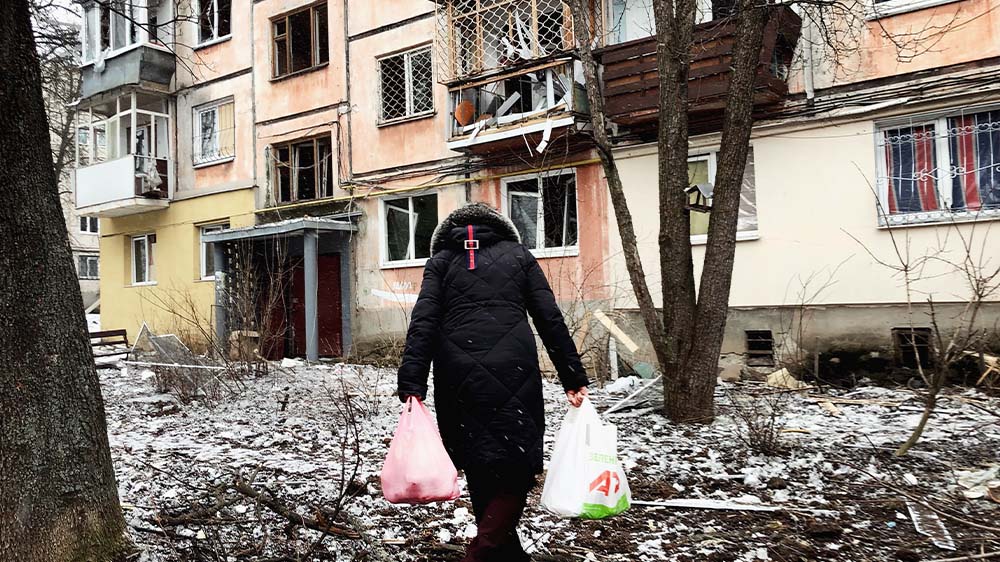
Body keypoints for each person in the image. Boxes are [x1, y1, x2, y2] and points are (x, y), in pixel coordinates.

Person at [397, 202, 590, 562]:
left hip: (457, 376)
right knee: (518, 466)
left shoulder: (440, 262)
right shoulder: (519, 256)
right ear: (500, 228)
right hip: (515, 371)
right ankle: (483, 552)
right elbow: (550, 317)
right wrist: (572, 375)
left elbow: (422, 323)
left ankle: (505, 553)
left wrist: (412, 383)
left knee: (480, 461)